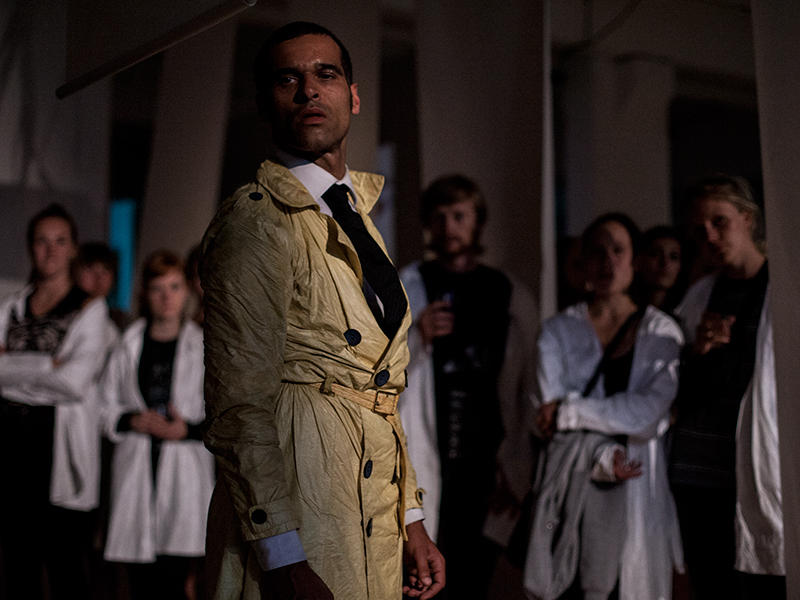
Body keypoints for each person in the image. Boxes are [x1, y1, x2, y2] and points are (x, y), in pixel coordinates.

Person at [201, 21, 444, 600]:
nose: (309, 90)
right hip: (300, 507)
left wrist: (412, 521)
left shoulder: (357, 214)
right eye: (288, 79)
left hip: (370, 508)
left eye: (325, 74)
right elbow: (239, 404)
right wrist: (284, 559)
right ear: (265, 105)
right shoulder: (256, 221)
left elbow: (377, 387)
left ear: (353, 97)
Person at [526, 213, 684, 600]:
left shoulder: (661, 331)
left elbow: (647, 414)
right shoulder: (558, 331)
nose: (607, 261)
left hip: (637, 485)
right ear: (582, 262)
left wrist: (570, 412)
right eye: (597, 252)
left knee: (631, 584)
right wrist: (566, 416)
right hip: (573, 484)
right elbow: (547, 412)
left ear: (635, 260)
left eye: (618, 250)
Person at [398, 174, 537, 599]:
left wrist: (517, 470)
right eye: (439, 217)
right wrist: (416, 337)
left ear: (478, 221)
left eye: (459, 216)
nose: (449, 227)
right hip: (426, 454)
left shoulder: (507, 292)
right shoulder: (410, 284)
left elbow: (528, 387)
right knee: (420, 580)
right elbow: (377, 367)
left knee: (471, 581)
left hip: (486, 465)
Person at [669, 175, 785, 599]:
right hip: (699, 470)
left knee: (769, 578)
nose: (710, 238)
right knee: (712, 586)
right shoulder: (701, 294)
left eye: (720, 222)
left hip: (754, 463)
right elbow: (673, 385)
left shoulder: (781, 286)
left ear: (748, 218)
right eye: (699, 231)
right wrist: (698, 351)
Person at [0, 204, 111, 599]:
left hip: (57, 450)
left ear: (73, 248)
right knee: (18, 567)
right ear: (31, 247)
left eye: (60, 241)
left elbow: (73, 383)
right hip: (11, 446)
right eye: (41, 241)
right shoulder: (12, 307)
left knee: (66, 568)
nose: (50, 250)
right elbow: (55, 375)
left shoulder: (90, 309)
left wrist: (12, 366)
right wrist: (47, 364)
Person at [100, 250, 213, 600]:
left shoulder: (202, 346)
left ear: (187, 290)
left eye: (174, 287)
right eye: (157, 288)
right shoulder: (128, 345)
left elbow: (222, 417)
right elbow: (104, 406)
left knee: (174, 581)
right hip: (137, 464)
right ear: (145, 293)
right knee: (139, 585)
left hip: (184, 467)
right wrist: (130, 419)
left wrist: (186, 430)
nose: (167, 297)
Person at [631, 226, 684, 314]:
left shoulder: (686, 311)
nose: (664, 263)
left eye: (673, 257)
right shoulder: (625, 312)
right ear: (639, 261)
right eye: (655, 254)